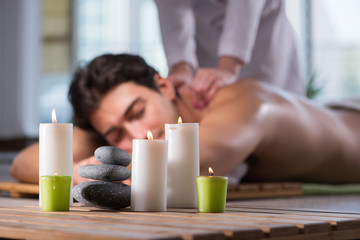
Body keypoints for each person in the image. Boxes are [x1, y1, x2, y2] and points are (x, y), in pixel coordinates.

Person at [11, 54, 360, 186]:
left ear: (164, 85)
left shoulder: (247, 105)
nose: (137, 134)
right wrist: (82, 167)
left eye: (137, 112)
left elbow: (173, 164)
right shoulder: (133, 137)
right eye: (115, 133)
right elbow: (24, 163)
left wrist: (82, 170)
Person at [155, 0, 304, 108]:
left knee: (268, 108)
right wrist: (182, 66)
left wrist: (229, 66)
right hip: (202, 29)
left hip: (262, 34)